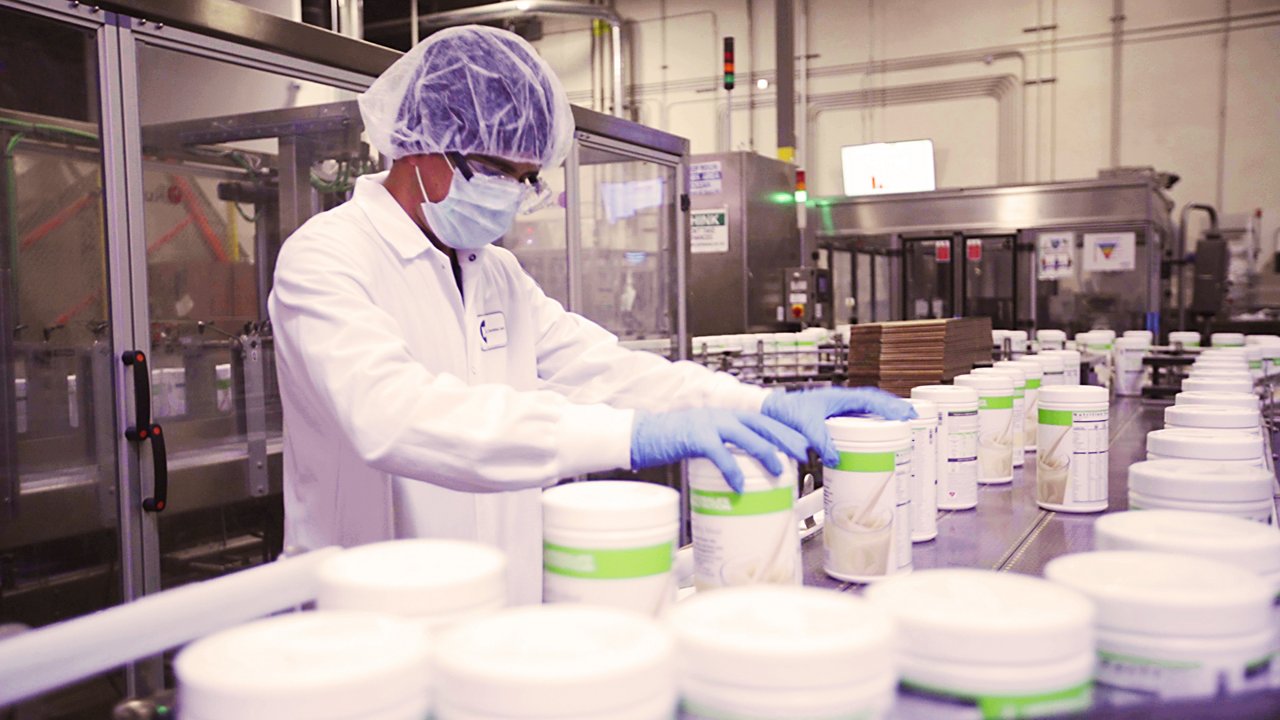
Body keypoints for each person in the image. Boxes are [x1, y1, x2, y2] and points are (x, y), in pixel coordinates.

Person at [268, 25, 913, 603]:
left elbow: (607, 371)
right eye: (503, 173)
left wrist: (756, 405)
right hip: (370, 634)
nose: (518, 200)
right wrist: (626, 438)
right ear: (425, 151)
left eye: (530, 179)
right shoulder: (327, 259)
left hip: (501, 622)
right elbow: (395, 416)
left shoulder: (494, 273)